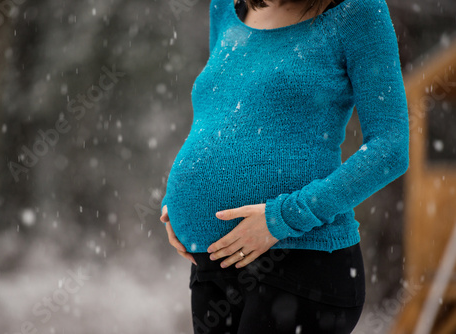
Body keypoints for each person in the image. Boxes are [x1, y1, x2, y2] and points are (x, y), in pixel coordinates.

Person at [160, 0, 409, 332]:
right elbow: (227, 114)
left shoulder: (357, 11)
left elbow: (390, 148)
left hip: (299, 263)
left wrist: (283, 217)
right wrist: (178, 205)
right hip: (213, 267)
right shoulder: (226, 7)